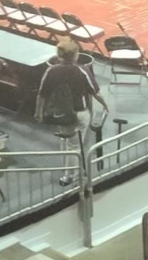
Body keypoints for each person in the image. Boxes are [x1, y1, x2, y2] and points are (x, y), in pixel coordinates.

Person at [35, 37, 106, 183]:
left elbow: (42, 94)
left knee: (66, 142)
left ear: (59, 55)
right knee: (74, 146)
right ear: (76, 55)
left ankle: (67, 172)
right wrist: (105, 105)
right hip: (79, 113)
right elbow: (95, 92)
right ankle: (70, 176)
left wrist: (39, 112)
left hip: (60, 113)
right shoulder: (82, 70)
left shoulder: (51, 71)